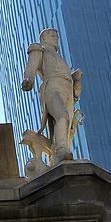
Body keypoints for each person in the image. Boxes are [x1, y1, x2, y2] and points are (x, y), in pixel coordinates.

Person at [21, 28, 82, 161]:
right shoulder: (39, 49)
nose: (56, 38)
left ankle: (58, 151)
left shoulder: (59, 58)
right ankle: (61, 150)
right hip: (52, 87)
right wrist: (28, 79)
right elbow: (31, 67)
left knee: (67, 127)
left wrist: (75, 82)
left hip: (67, 89)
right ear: (44, 39)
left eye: (56, 36)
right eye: (52, 36)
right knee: (62, 116)